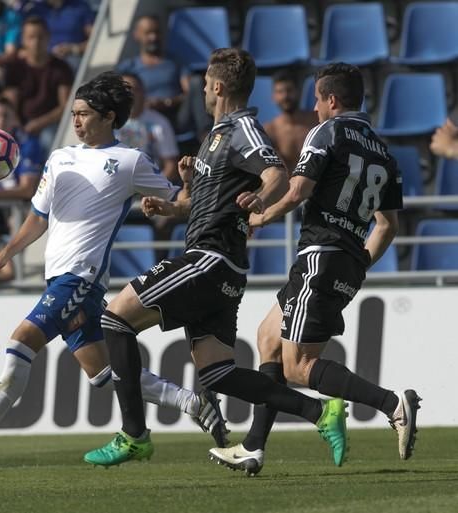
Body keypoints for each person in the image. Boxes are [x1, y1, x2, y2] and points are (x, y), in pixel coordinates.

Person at [0, 71, 229, 460]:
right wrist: (6, 253)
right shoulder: (60, 158)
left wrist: (184, 185)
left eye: (84, 113)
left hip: (80, 277)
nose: (77, 121)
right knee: (103, 374)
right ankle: (194, 403)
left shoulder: (129, 161)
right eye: (74, 113)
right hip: (59, 279)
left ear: (109, 117)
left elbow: (181, 202)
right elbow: (38, 217)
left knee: (21, 341)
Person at [84, 49, 348, 468]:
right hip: (224, 269)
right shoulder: (216, 136)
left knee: (115, 318)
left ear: (219, 87)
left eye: (207, 84)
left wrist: (260, 198)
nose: (203, 90)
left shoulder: (242, 127)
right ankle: (320, 411)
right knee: (219, 374)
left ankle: (133, 435)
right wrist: (177, 202)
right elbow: (207, 205)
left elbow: (276, 173)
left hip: (210, 259)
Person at [210, 62, 421, 476]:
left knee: (298, 366)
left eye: (318, 99)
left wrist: (262, 215)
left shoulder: (327, 132)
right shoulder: (384, 152)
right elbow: (388, 224)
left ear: (331, 100)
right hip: (342, 259)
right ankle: (254, 447)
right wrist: (360, 263)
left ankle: (392, 403)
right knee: (268, 338)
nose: (314, 107)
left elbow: (299, 190)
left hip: (320, 255)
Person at [3, 15, 73, 156]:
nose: (36, 42)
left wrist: (39, 123)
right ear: (23, 40)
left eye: (40, 37)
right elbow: (9, 103)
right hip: (19, 123)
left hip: (49, 124)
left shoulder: (62, 68)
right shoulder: (14, 68)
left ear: (48, 37)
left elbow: (65, 107)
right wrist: (19, 125)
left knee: (49, 140)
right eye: (31, 37)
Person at [117, 73, 178, 183]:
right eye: (124, 90)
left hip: (149, 189)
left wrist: (153, 188)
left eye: (134, 89)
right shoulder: (108, 123)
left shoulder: (160, 123)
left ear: (143, 93)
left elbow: (171, 166)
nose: (130, 94)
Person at [263, 70, 318, 172]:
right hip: (288, 186)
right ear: (273, 97)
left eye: (289, 90)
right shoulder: (271, 130)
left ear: (298, 92)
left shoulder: (316, 121)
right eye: (280, 92)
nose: (285, 96)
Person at [21, 0, 95, 70]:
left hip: (70, 58)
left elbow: (96, 42)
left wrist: (73, 48)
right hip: (40, 59)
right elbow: (24, 42)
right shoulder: (35, 10)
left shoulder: (81, 7)